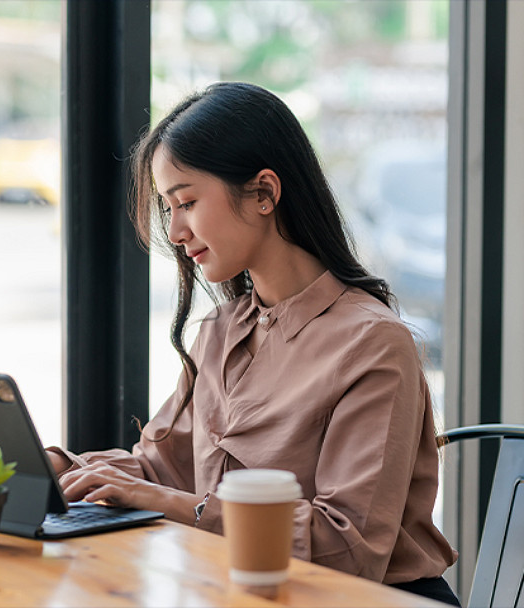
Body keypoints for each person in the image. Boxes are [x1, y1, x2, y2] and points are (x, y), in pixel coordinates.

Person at [46, 82, 459, 605]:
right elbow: (161, 470)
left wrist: (171, 503)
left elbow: (350, 548)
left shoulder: (373, 343)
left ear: (264, 193)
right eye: (168, 209)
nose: (174, 231)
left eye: (186, 202)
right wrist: (61, 467)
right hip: (243, 590)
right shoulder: (219, 332)